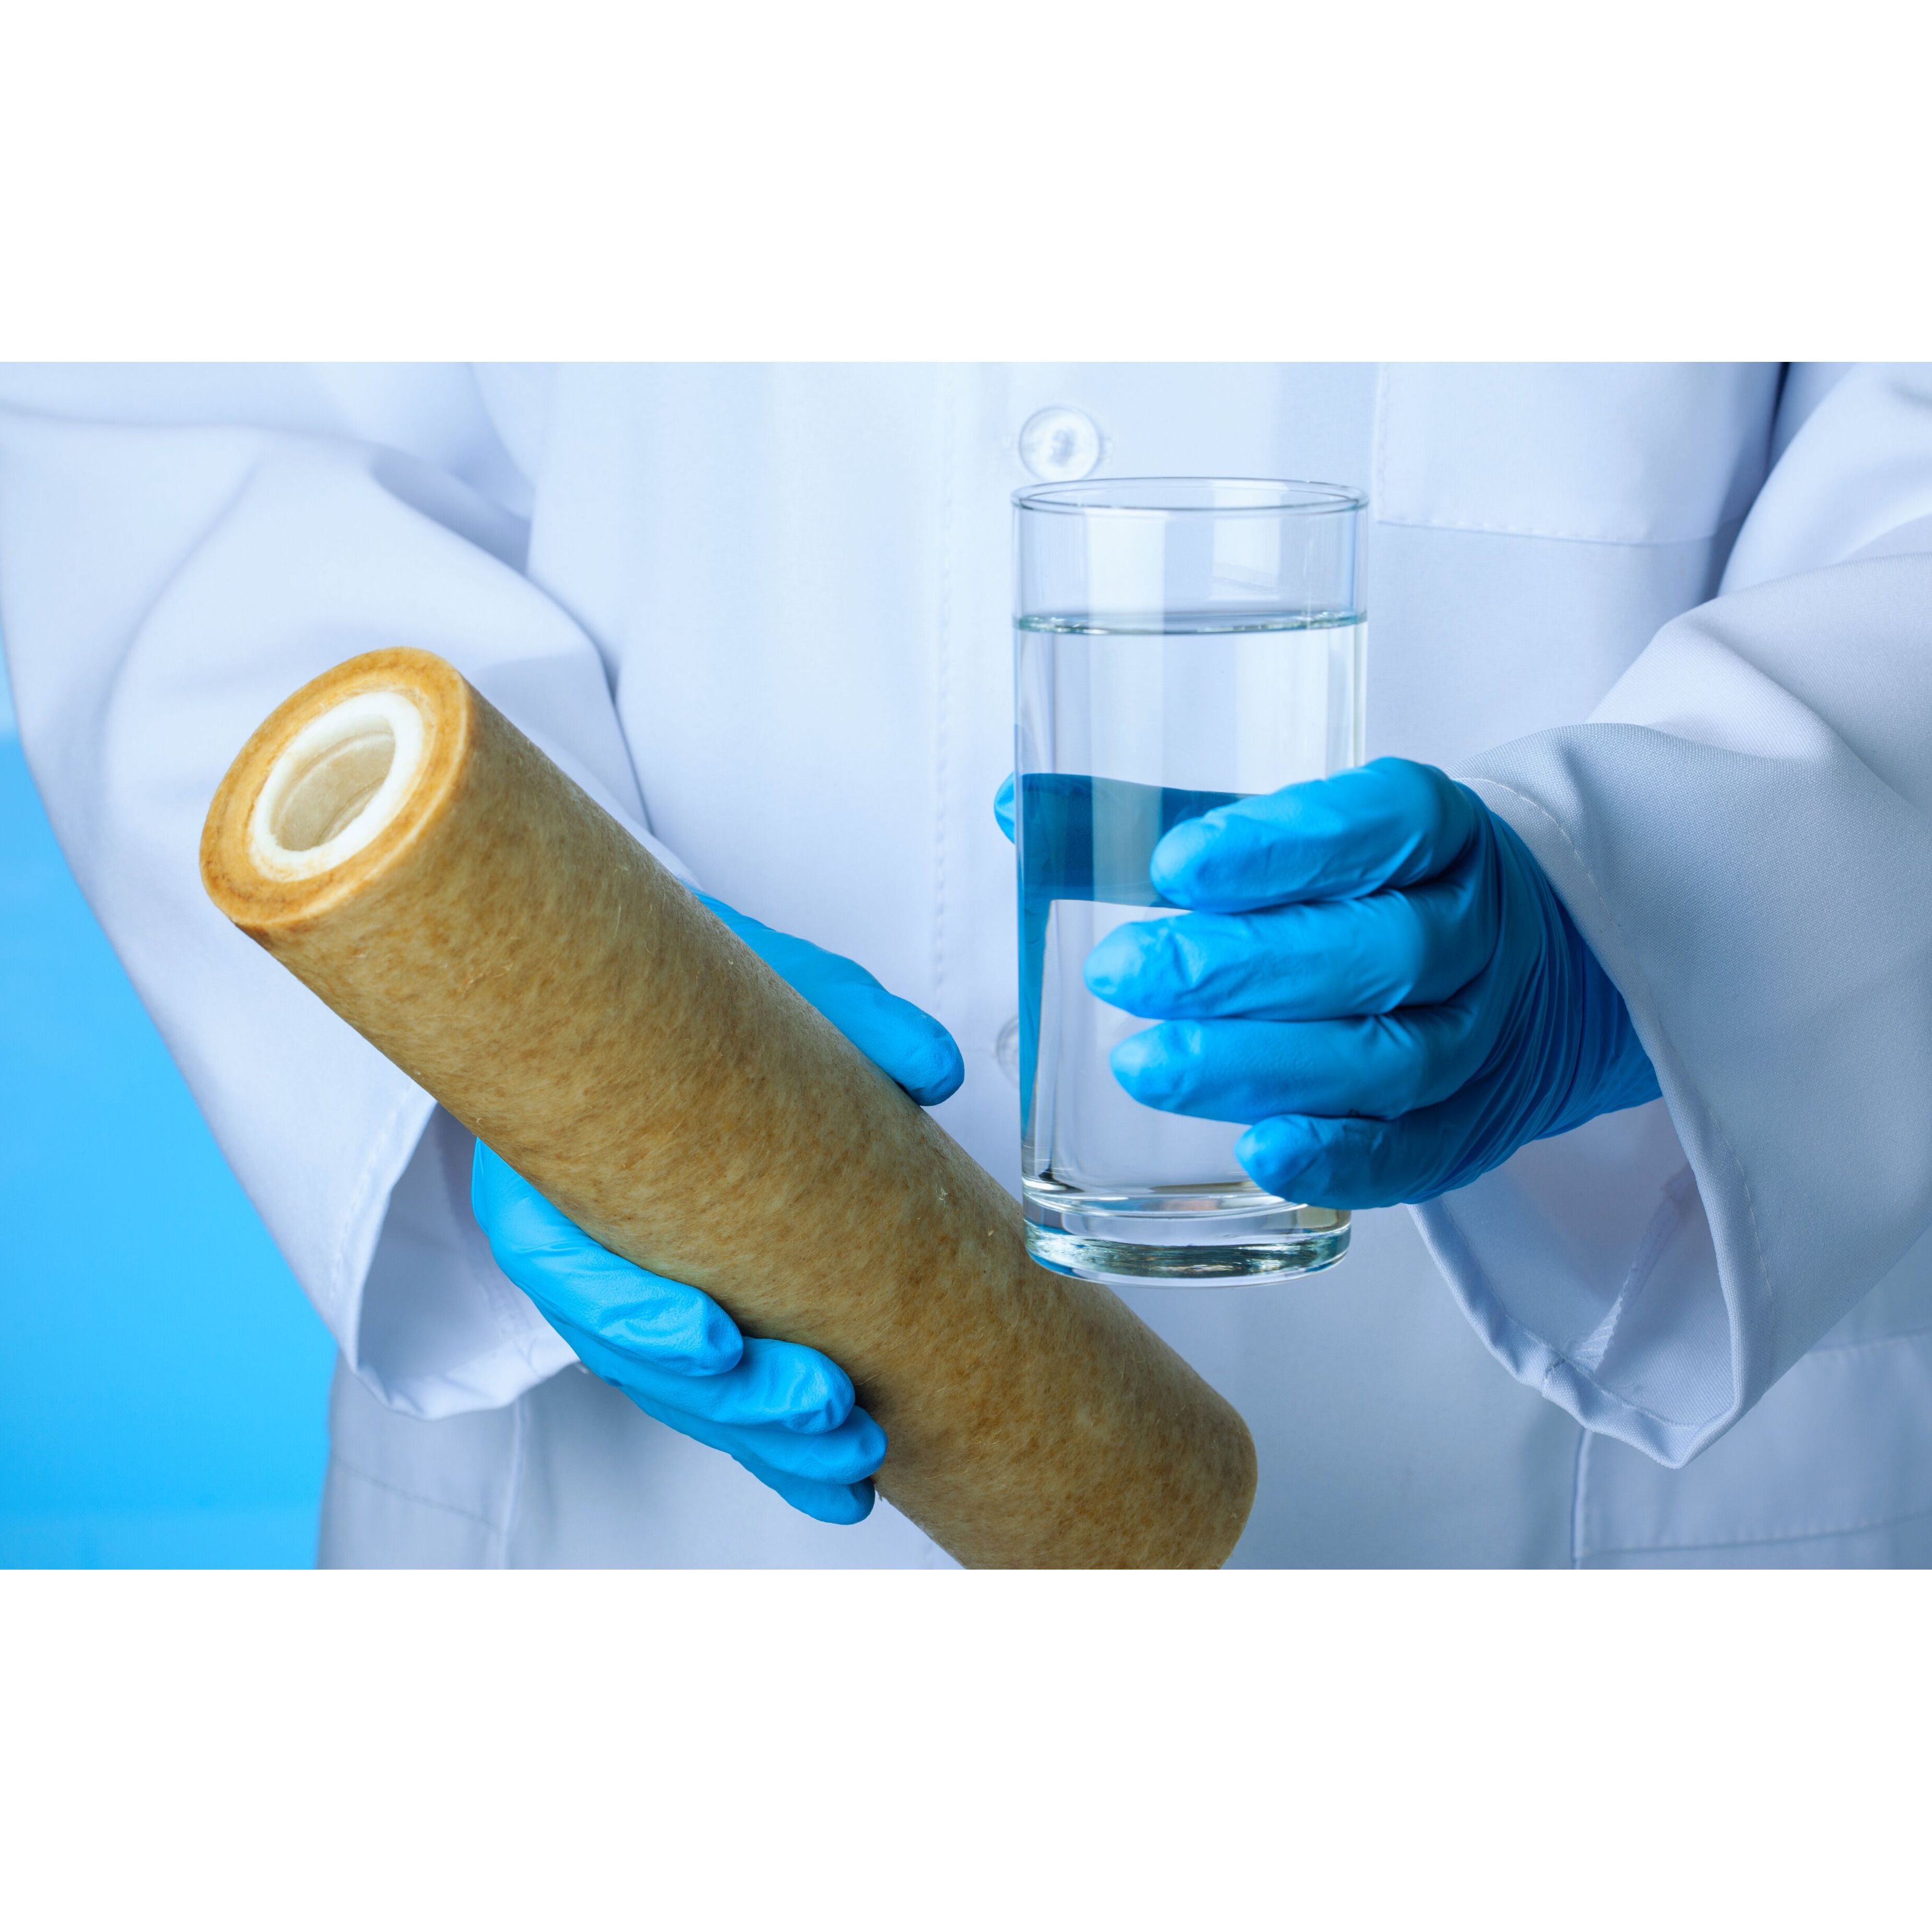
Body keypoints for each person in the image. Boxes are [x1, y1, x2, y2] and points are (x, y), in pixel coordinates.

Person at [3, 362, 1929, 1568]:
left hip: (1582, 1506)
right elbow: (180, 413)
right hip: (644, 1558)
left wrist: (1666, 910)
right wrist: (520, 1018)